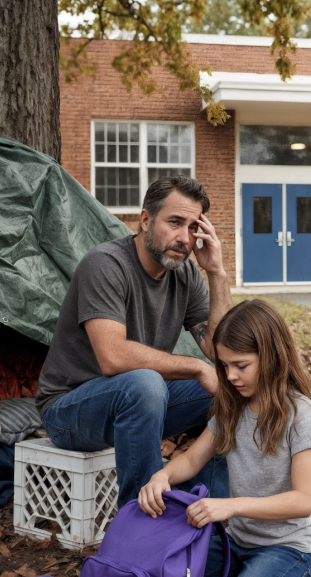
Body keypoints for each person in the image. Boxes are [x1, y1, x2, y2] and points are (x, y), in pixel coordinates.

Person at [35, 176, 233, 505]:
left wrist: (216, 272)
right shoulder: (105, 265)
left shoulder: (185, 274)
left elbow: (223, 351)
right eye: (174, 222)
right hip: (70, 411)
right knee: (145, 383)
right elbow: (112, 357)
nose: (184, 238)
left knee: (234, 386)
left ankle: (210, 512)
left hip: (141, 403)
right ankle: (139, 523)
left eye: (192, 227)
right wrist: (197, 368)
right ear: (145, 220)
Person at [138, 299, 311, 577]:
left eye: (241, 365)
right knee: (167, 569)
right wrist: (161, 477)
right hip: (237, 541)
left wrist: (230, 506)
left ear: (272, 355)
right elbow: (191, 459)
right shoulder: (233, 406)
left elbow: (303, 501)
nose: (231, 376)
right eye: (225, 366)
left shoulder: (301, 413)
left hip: (289, 547)